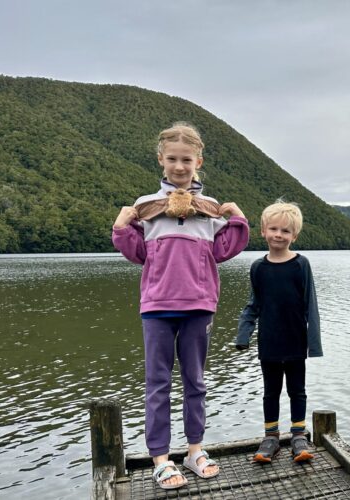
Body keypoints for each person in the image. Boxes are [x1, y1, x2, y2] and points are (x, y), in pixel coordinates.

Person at [112, 122, 249, 490]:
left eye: (186, 159)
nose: (179, 166)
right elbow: (138, 254)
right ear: (161, 160)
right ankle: (160, 458)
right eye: (172, 159)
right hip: (156, 306)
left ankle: (194, 451)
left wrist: (237, 221)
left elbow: (222, 253)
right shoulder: (145, 207)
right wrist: (122, 228)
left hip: (199, 305)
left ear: (198, 161)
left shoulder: (210, 210)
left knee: (196, 382)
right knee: (157, 383)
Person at [235, 201, 322, 464]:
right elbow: (254, 303)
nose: (278, 235)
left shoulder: (300, 265)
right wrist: (243, 334)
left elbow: (311, 304)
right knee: (270, 391)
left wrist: (314, 345)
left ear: (294, 236)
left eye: (285, 231)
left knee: (298, 390)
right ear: (263, 230)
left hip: (296, 341)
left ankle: (298, 436)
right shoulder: (258, 268)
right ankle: (270, 438)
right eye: (273, 229)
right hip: (269, 342)